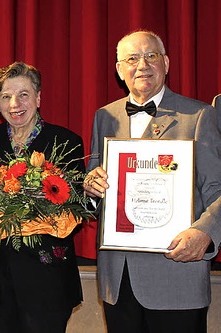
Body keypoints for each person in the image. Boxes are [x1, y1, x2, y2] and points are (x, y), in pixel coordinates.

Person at [84, 30, 221, 332]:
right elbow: (95, 193)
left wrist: (205, 233)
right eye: (131, 58)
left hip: (177, 277)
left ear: (166, 63)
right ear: (119, 70)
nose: (142, 65)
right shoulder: (105, 116)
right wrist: (92, 190)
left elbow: (217, 189)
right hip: (119, 280)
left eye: (151, 56)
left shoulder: (200, 115)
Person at [0, 62, 84, 333]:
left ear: (38, 98)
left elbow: (76, 207)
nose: (15, 103)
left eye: (23, 94)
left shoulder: (66, 141)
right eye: (5, 96)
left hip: (47, 281)